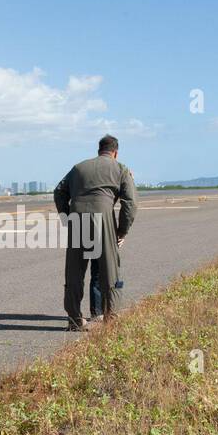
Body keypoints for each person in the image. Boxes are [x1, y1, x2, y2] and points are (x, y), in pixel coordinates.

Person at [54, 135, 137, 330]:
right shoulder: (120, 168)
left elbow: (59, 192)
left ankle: (74, 319)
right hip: (103, 218)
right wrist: (121, 231)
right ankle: (111, 317)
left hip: (77, 219)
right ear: (115, 153)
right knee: (110, 271)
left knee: (74, 272)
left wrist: (67, 218)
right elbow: (130, 204)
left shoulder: (79, 167)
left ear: (99, 150)